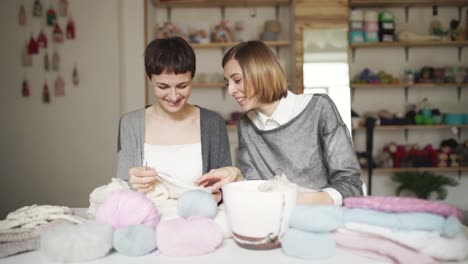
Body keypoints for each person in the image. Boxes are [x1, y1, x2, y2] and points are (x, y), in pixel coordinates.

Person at [196, 40, 364, 205]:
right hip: (275, 221)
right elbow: (256, 187)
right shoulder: (246, 125)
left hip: (323, 218)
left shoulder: (319, 108)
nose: (231, 90)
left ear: (261, 72)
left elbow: (351, 184)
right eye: (227, 83)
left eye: (237, 80)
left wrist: (298, 200)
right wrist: (236, 175)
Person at [116, 36, 231, 201]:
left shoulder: (213, 124)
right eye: (163, 86)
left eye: (182, 86)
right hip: (148, 220)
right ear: (150, 79)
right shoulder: (131, 124)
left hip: (198, 219)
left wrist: (219, 195)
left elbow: (227, 187)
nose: (174, 96)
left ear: (192, 78)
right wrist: (132, 185)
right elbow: (121, 187)